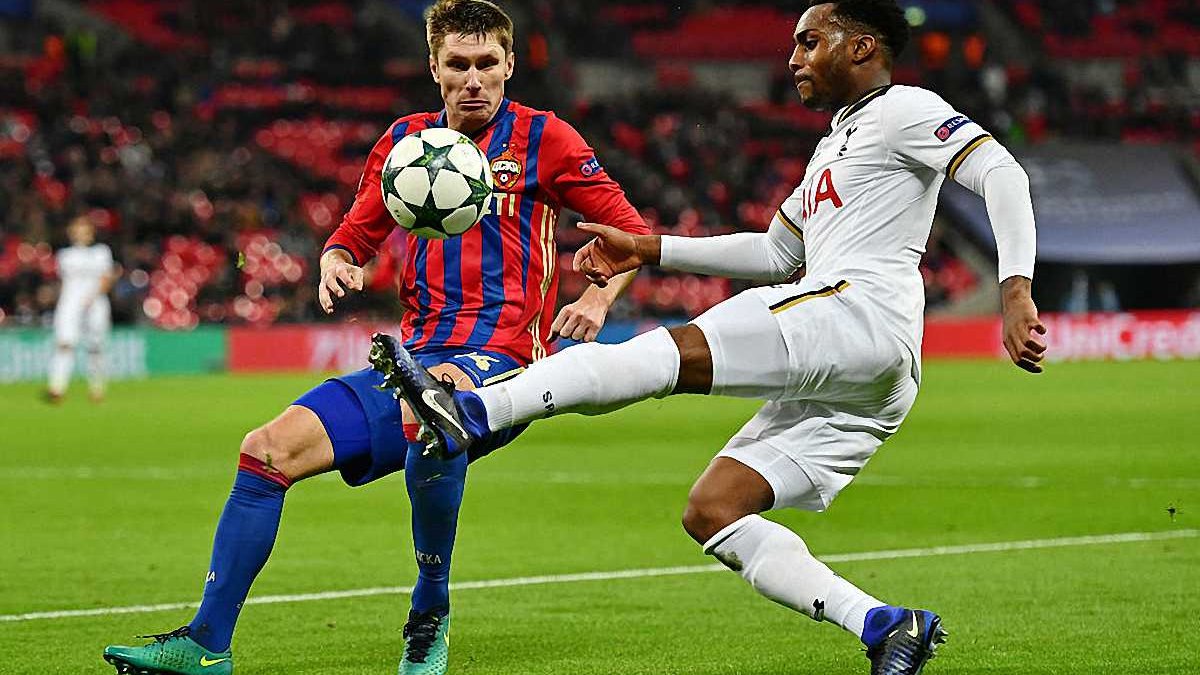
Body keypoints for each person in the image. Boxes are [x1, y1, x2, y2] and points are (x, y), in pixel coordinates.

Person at [373, 1, 1046, 673]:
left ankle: (470, 410)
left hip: (856, 312)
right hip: (875, 376)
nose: (794, 59)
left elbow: (1002, 172)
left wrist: (1015, 291)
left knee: (654, 358)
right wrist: (648, 247)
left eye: (811, 42)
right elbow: (775, 254)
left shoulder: (904, 109)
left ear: (862, 47)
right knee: (714, 510)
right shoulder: (833, 147)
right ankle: (886, 625)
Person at [102, 2, 647, 674]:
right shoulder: (405, 142)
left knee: (433, 415)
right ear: (434, 68)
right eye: (457, 65)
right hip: (414, 359)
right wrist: (337, 260)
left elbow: (633, 236)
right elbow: (354, 233)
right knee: (265, 451)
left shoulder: (547, 139)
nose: (473, 79)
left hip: (503, 360)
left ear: (510, 64)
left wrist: (597, 296)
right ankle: (207, 643)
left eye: (486, 64)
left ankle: (430, 609)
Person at [46, 215, 119, 403]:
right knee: (65, 343)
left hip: (96, 303)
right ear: (71, 233)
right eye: (77, 230)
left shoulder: (101, 252)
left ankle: (97, 387)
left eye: (85, 230)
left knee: (96, 346)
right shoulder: (64, 255)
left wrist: (93, 297)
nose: (81, 234)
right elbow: (62, 282)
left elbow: (106, 278)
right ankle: (57, 387)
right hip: (69, 303)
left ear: (91, 233)